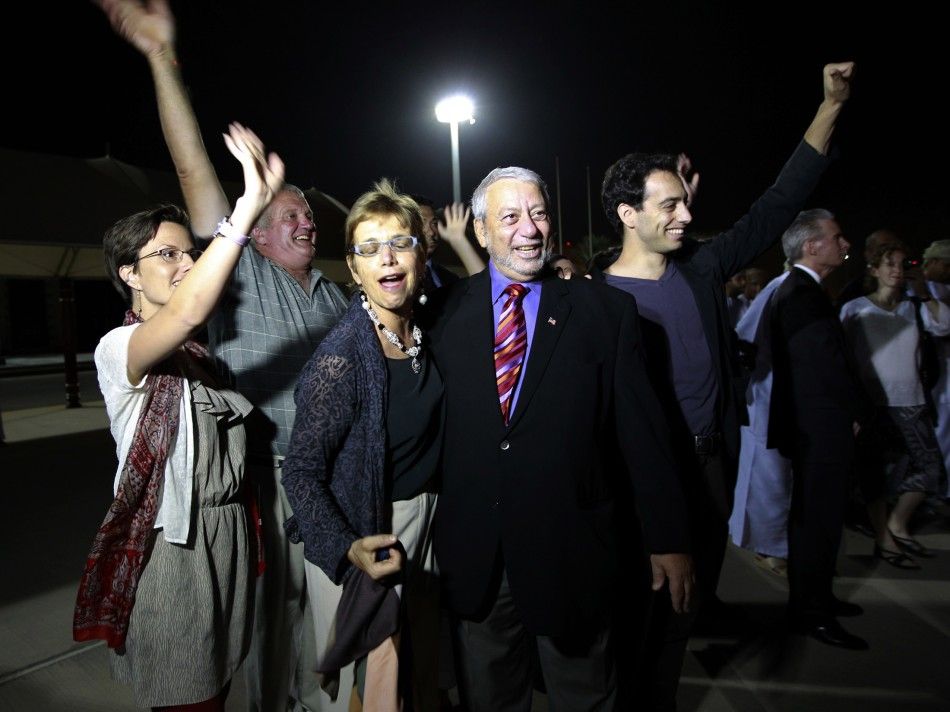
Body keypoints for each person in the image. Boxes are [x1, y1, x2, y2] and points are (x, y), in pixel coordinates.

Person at [95, 2, 350, 709]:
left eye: (306, 212)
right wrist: (159, 57)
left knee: (333, 647)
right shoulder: (234, 278)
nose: (303, 218)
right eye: (284, 213)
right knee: (262, 649)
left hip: (331, 480)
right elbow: (191, 169)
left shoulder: (336, 298)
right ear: (252, 234)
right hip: (260, 483)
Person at [595, 61, 854, 706]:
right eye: (671, 205)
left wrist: (830, 104)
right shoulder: (594, 301)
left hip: (710, 465)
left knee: (685, 609)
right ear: (630, 214)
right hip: (640, 480)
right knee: (643, 610)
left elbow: (776, 206)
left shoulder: (704, 268)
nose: (686, 214)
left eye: (685, 202)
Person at [429, 165, 693, 712]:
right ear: (481, 232)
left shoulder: (605, 313)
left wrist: (667, 538)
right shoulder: (441, 315)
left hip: (572, 553)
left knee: (586, 696)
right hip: (479, 558)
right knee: (490, 699)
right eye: (510, 217)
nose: (530, 228)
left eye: (539, 213)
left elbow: (642, 436)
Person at [73, 124, 284, 710]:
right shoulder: (120, 350)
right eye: (167, 254)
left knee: (218, 690)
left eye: (188, 251)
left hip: (228, 534)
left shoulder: (200, 360)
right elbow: (190, 312)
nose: (186, 262)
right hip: (175, 546)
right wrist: (246, 209)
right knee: (184, 698)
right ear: (130, 274)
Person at [281, 181, 441, 711]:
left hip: (423, 528)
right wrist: (345, 547)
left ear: (420, 253)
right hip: (365, 533)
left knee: (414, 680)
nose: (387, 258)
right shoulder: (342, 358)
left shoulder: (421, 330)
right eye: (369, 248)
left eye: (399, 243)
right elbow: (301, 472)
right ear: (353, 269)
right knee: (373, 690)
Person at [768, 209, 871, 650]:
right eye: (837, 236)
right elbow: (822, 369)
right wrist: (851, 412)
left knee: (820, 520)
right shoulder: (800, 294)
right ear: (812, 246)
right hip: (819, 428)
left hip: (818, 427)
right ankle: (812, 613)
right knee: (817, 522)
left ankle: (816, 599)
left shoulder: (805, 290)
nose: (845, 244)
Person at [840, 240, 950, 567]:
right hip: (873, 404)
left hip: (911, 402)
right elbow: (843, 360)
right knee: (874, 475)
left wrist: (925, 293)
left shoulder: (913, 307)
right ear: (874, 269)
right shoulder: (855, 309)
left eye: (902, 265)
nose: (897, 271)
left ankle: (896, 524)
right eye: (889, 264)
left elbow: (944, 324)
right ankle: (885, 538)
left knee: (931, 470)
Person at [729, 268, 793, 576]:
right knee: (770, 476)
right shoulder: (779, 290)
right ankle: (769, 548)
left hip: (789, 398)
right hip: (767, 395)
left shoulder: (798, 288)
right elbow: (744, 337)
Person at [922, 239, 950, 491]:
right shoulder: (923, 289)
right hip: (932, 373)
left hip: (941, 371)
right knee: (938, 431)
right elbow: (941, 326)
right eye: (947, 264)